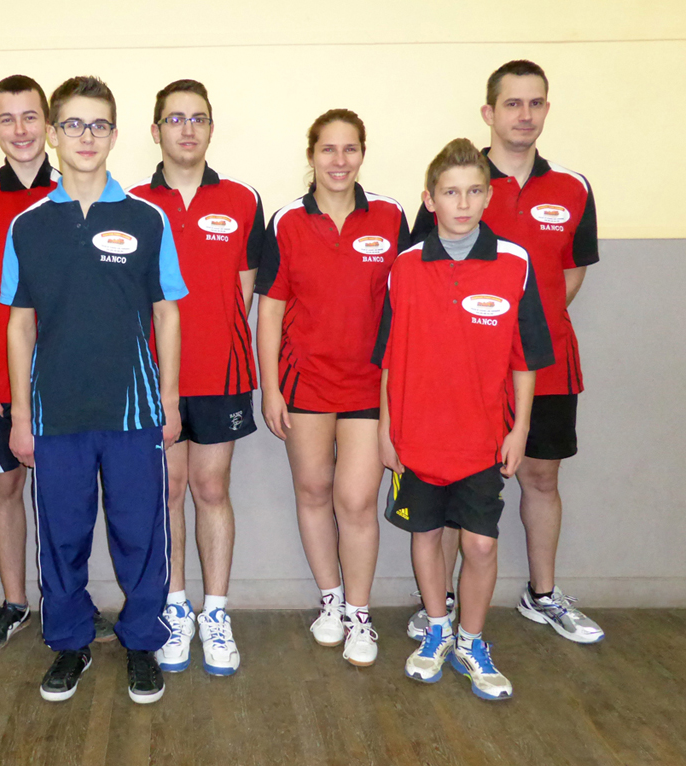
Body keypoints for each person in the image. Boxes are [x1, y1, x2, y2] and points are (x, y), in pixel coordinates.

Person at [1, 76, 187, 704]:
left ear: (114, 134)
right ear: (54, 134)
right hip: (56, 415)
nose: (87, 136)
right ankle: (70, 642)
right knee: (62, 536)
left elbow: (167, 313)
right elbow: (19, 323)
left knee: (141, 534)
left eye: (99, 125)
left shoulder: (146, 217)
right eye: (74, 125)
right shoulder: (27, 225)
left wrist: (169, 401)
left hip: (134, 412)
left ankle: (142, 642)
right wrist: (21, 417)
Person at [409, 60, 603, 645]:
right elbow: (422, 276)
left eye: (535, 103)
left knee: (541, 476)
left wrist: (522, 333)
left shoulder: (572, 188)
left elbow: (570, 274)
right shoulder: (459, 181)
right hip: (462, 377)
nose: (525, 114)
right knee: (451, 487)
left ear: (547, 109)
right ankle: (440, 604)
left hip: (546, 366)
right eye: (513, 104)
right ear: (489, 112)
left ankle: (542, 594)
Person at [375, 138, 554, 700]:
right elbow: (388, 357)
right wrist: (385, 430)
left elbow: (526, 359)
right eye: (451, 193)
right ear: (430, 199)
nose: (463, 203)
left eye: (474, 191)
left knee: (479, 546)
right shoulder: (404, 266)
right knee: (426, 535)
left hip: (482, 439)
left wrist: (519, 429)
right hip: (416, 437)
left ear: (488, 196)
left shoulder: (514, 263)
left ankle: (472, 642)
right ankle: (437, 629)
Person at [0, 75, 114, 653]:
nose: (19, 130)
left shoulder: (79, 191)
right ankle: (16, 602)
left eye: (29, 117)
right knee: (8, 487)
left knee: (70, 499)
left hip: (67, 383)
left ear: (48, 125)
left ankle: (70, 602)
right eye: (6, 118)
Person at [255, 109, 409, 666]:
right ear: (311, 155)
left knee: (357, 500)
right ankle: (331, 600)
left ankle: (360, 615)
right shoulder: (286, 221)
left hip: (370, 385)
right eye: (328, 149)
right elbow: (270, 311)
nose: (339, 160)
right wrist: (271, 389)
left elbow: (410, 304)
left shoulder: (391, 216)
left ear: (362, 154)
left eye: (350, 149)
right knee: (314, 492)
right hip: (305, 383)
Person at [127, 80, 264, 677]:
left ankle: (216, 613)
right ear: (155, 130)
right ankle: (176, 607)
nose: (187, 129)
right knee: (169, 491)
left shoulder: (242, 199)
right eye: (175, 118)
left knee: (211, 488)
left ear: (211, 127)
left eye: (198, 118)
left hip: (221, 374)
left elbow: (244, 290)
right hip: (152, 377)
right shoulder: (130, 203)